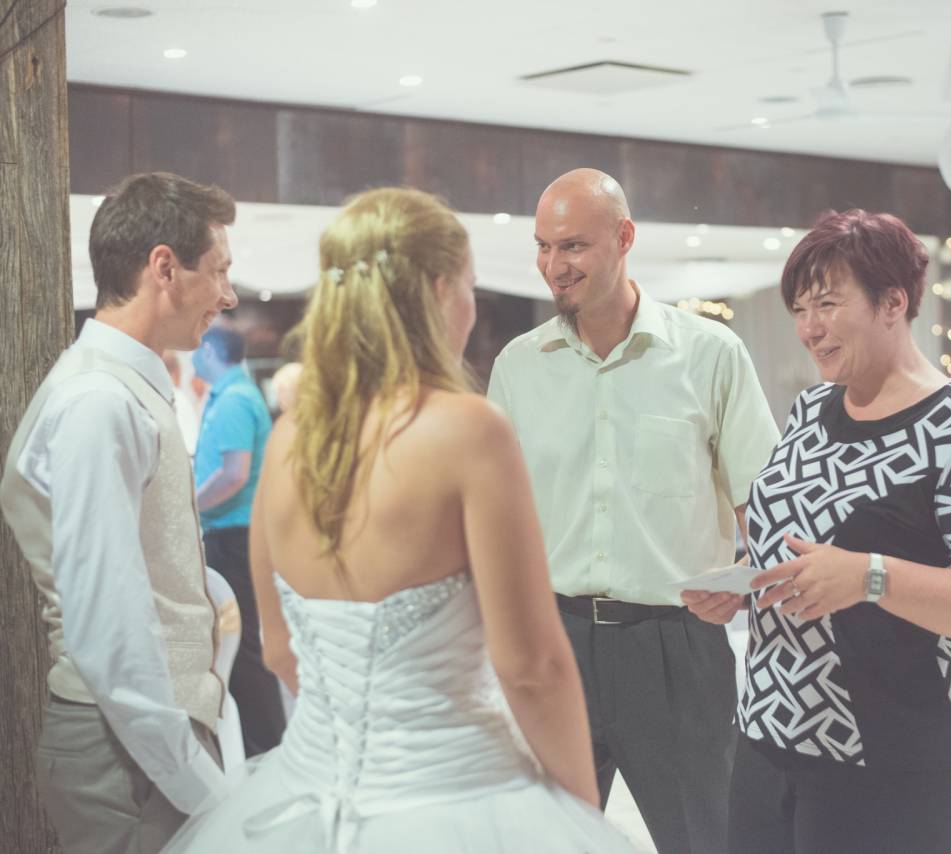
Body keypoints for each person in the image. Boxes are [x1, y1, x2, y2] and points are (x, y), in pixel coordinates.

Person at [161, 187, 639, 853]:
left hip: (305, 795)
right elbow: (532, 666)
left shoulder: (292, 435)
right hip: (455, 795)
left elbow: (279, 650)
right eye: (470, 285)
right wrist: (581, 818)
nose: (473, 305)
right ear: (440, 290)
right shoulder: (468, 430)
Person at [686, 209, 951, 854]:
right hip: (770, 731)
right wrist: (746, 587)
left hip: (903, 754)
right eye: (800, 310)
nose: (810, 328)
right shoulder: (810, 410)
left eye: (828, 304)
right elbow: (802, 551)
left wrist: (872, 577)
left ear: (893, 302)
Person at [487, 168, 778, 853]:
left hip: (677, 648)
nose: (554, 266)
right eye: (543, 247)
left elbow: (764, 506)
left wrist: (748, 583)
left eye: (573, 246)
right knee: (546, 842)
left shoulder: (711, 354)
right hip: (554, 643)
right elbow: (495, 521)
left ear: (624, 238)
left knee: (708, 840)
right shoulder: (518, 366)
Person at [0, 172, 238, 854]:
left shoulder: (120, 387)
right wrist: (202, 786)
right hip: (128, 755)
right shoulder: (98, 402)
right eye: (219, 270)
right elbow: (109, 626)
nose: (228, 295)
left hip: (143, 743)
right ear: (164, 267)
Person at [192, 326, 287, 757]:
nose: (193, 357)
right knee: (241, 641)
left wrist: (188, 507)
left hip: (234, 535)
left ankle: (263, 747)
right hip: (234, 534)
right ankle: (258, 744)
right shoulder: (232, 395)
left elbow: (234, 475)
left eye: (198, 350)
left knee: (242, 643)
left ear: (211, 350)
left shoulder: (233, 400)